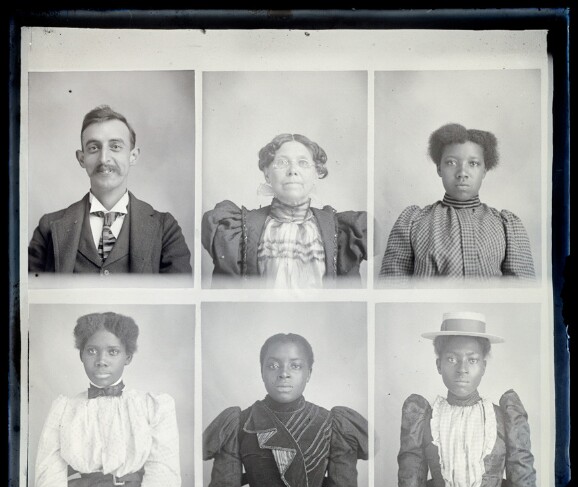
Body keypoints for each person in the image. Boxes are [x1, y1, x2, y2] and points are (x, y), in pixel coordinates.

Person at [392, 311, 540, 487]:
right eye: (452, 359)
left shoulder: (503, 417)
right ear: (438, 365)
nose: (462, 369)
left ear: (483, 367)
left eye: (472, 360)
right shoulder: (424, 419)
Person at [34, 311, 181, 487]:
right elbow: (47, 474)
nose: (101, 361)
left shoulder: (153, 407)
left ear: (127, 356)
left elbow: (164, 471)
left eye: (113, 352)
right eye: (92, 351)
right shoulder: (64, 409)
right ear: (81, 355)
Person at [203, 332, 368, 487]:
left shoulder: (333, 424)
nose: (283, 374)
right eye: (273, 366)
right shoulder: (238, 423)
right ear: (262, 372)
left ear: (308, 374)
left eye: (295, 366)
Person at [28, 105, 191, 275]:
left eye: (115, 146)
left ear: (133, 156)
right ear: (81, 158)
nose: (104, 158)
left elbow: (178, 298)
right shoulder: (48, 227)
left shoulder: (165, 228)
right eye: (94, 148)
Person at [202, 133, 367, 288]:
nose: (292, 171)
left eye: (303, 163)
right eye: (282, 162)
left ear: (316, 172)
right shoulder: (236, 229)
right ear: (267, 173)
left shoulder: (342, 230)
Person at [379, 123, 536, 281]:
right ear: (439, 168)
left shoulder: (506, 225)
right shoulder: (412, 222)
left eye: (473, 164)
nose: (462, 173)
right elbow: (391, 288)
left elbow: (522, 292)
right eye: (451, 163)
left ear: (484, 171)